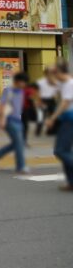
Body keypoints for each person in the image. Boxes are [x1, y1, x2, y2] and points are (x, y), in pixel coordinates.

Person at [0, 72, 29, 175]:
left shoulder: (21, 92)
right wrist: (2, 120)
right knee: (19, 143)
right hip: (9, 120)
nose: (24, 84)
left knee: (17, 143)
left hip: (18, 120)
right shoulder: (8, 90)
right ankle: (21, 167)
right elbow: (2, 105)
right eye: (23, 82)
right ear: (17, 81)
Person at [45, 62, 73, 191]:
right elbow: (51, 82)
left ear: (60, 72)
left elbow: (65, 104)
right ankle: (71, 183)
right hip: (66, 120)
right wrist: (50, 71)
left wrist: (52, 118)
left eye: (55, 72)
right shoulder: (64, 82)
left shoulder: (69, 84)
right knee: (65, 151)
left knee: (60, 151)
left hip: (70, 121)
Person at [37, 66, 59, 138]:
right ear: (45, 73)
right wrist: (39, 101)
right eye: (49, 73)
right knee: (41, 116)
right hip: (43, 99)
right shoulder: (40, 81)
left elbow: (58, 91)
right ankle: (38, 131)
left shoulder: (55, 81)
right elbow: (38, 92)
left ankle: (51, 131)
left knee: (53, 116)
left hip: (52, 100)